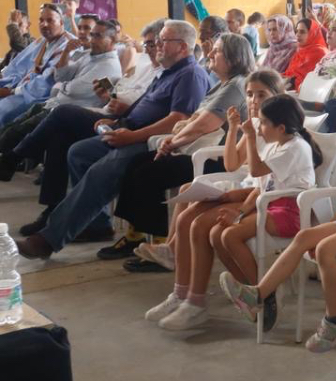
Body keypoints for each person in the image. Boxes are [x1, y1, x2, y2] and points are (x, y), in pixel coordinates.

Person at [14, 20, 211, 259]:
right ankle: (97, 223)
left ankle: (48, 240)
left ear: (182, 46)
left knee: (102, 170)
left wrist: (132, 136)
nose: (157, 45)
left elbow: (179, 119)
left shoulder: (191, 75)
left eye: (163, 41)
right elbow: (142, 105)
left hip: (153, 142)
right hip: (130, 132)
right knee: (79, 153)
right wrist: (116, 121)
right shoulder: (167, 72)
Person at [221, 112, 336, 345]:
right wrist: (326, 229)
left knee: (324, 249)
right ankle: (257, 293)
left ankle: (333, 321)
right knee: (304, 237)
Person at [144, 95, 320, 330]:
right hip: (268, 203)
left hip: (289, 209)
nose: (259, 125)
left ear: (280, 127)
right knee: (218, 234)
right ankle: (252, 291)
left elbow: (256, 172)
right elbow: (261, 188)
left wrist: (250, 137)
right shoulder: (276, 144)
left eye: (263, 122)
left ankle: (262, 291)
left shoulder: (295, 147)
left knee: (228, 234)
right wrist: (239, 213)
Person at [86, 33, 253, 260]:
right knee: (136, 162)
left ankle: (160, 241)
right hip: (199, 151)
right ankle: (137, 234)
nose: (211, 53)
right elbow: (195, 120)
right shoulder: (222, 85)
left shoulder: (236, 86)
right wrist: (172, 140)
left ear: (234, 58)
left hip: (219, 159)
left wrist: (172, 142)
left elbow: (203, 125)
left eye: (217, 50)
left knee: (150, 172)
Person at [0, 19, 124, 196]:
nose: (91, 39)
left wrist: (62, 86)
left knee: (16, 131)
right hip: (55, 104)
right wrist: (66, 55)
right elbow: (60, 76)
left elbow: (74, 88)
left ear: (113, 40)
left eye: (97, 36)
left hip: (69, 111)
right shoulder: (90, 56)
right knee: (10, 128)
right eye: (92, 34)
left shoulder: (108, 65)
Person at [118, 69, 284, 271]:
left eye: (261, 95)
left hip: (259, 191)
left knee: (194, 211)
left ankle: (174, 254)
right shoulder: (255, 123)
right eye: (249, 95)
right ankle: (171, 249)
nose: (253, 101)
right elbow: (231, 164)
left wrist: (249, 137)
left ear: (277, 96)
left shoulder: (280, 130)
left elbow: (258, 173)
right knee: (188, 188)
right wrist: (233, 129)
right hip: (247, 182)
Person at [0, 4, 76, 143]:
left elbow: (46, 82)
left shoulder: (67, 46)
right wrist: (5, 83)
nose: (44, 24)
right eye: (41, 20)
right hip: (23, 89)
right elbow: (18, 67)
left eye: (50, 20)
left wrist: (11, 92)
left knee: (2, 111)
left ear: (61, 22)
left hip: (41, 96)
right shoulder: (41, 42)